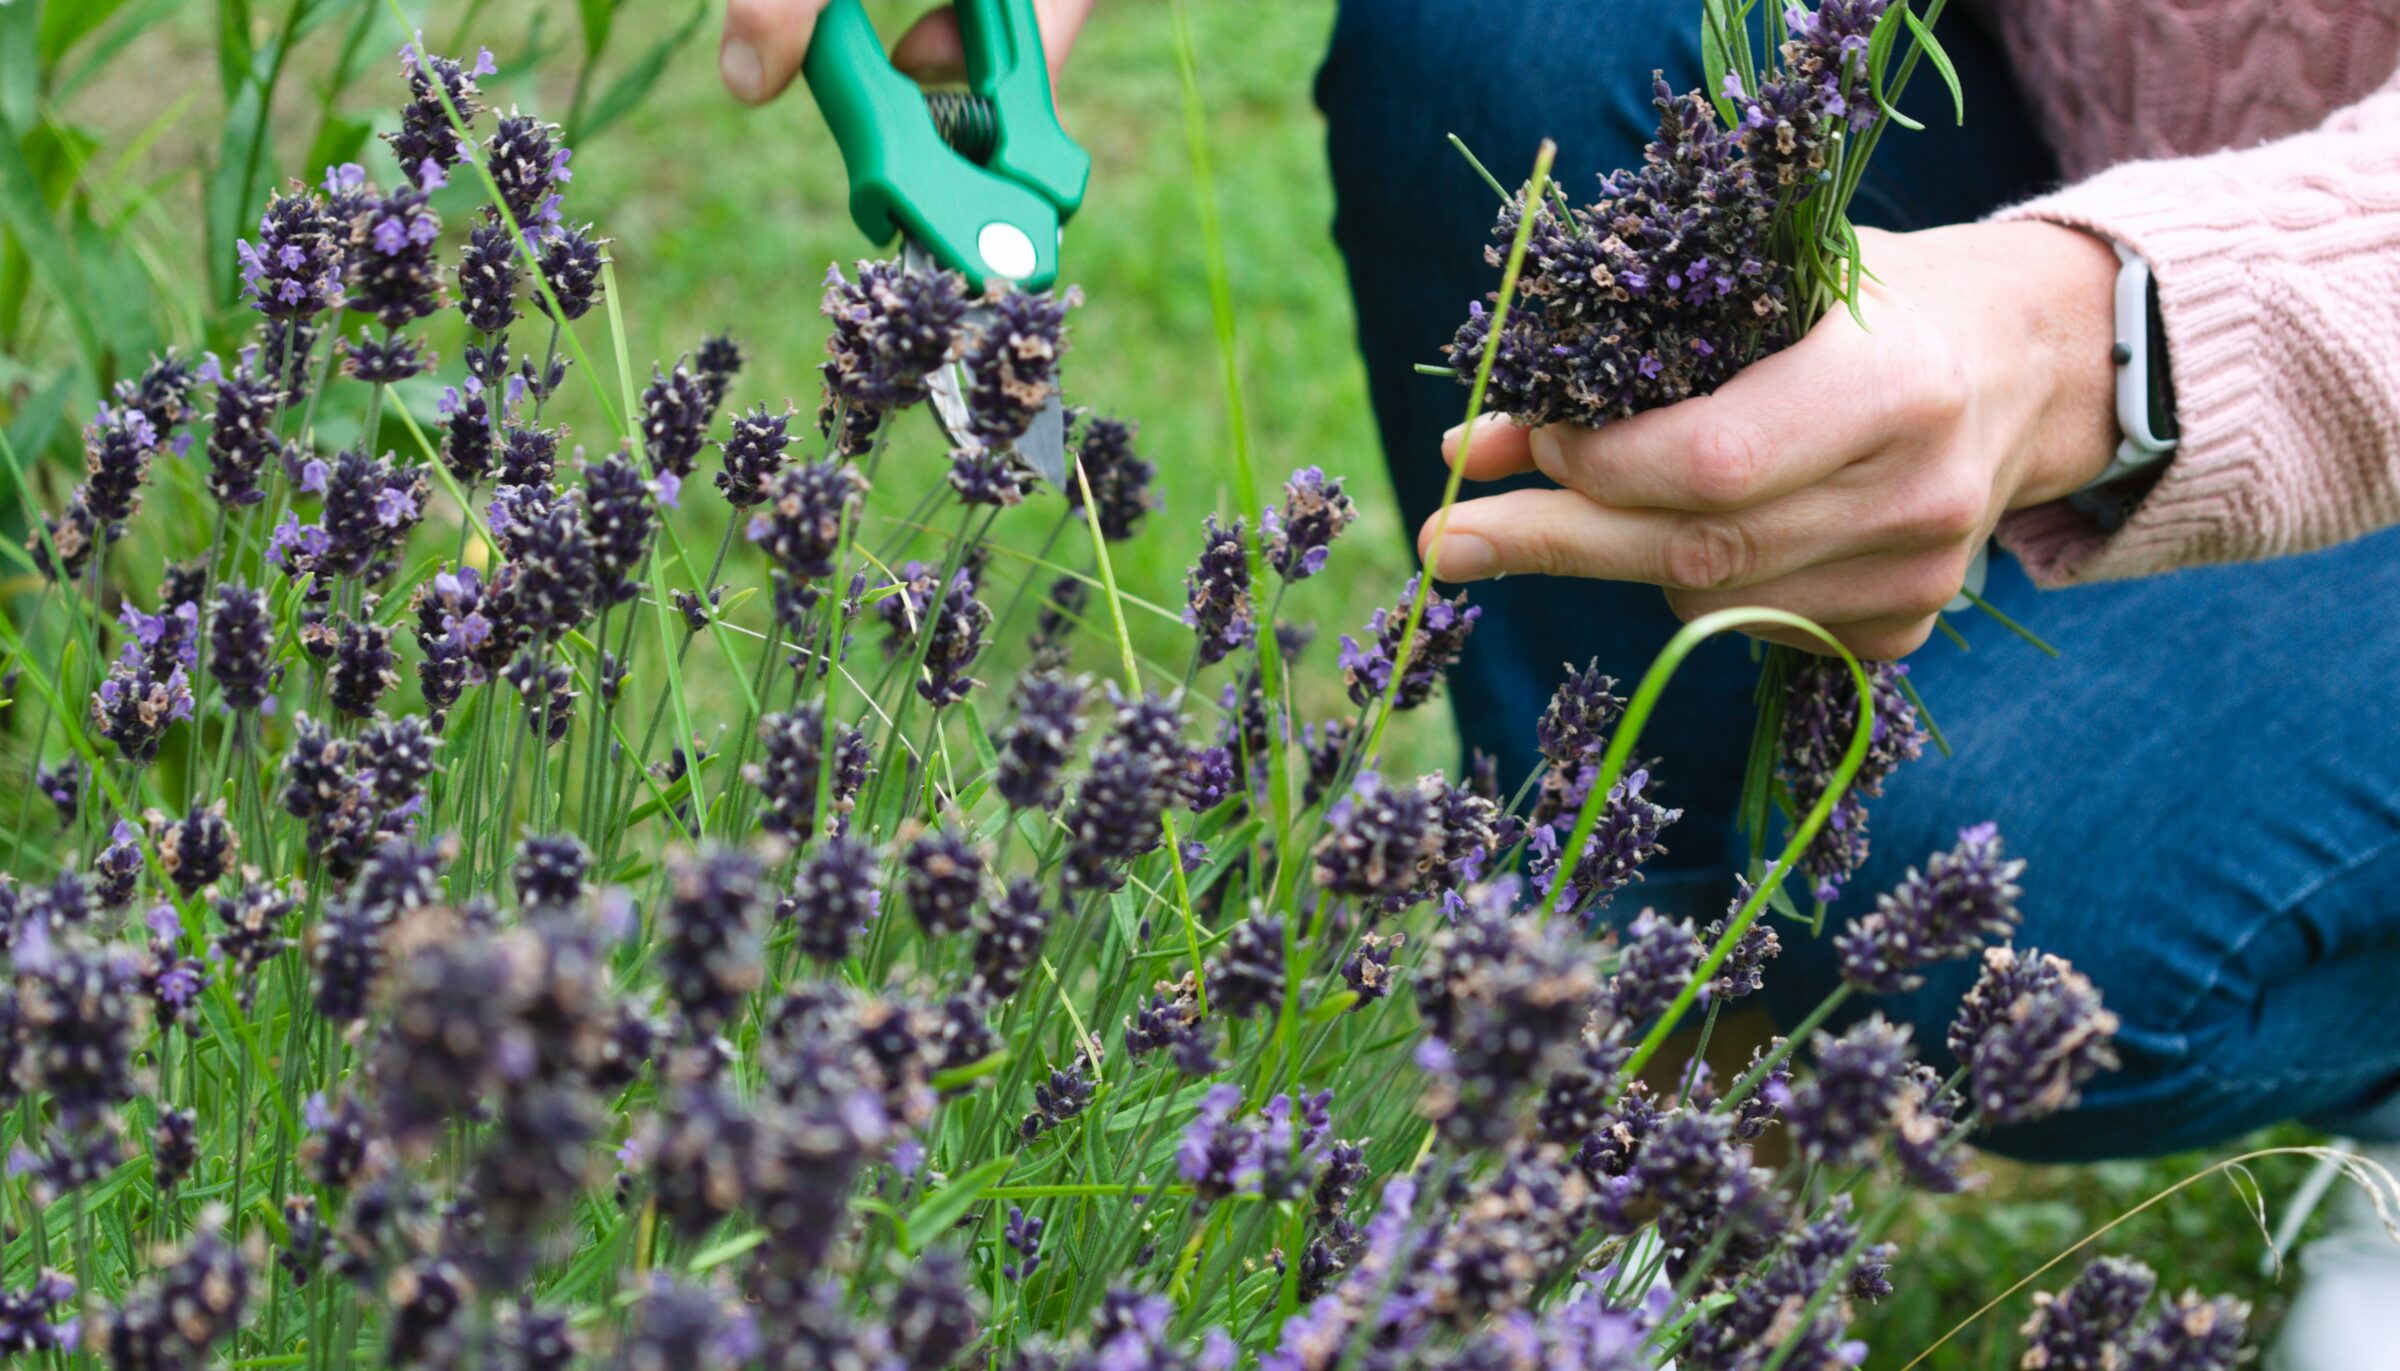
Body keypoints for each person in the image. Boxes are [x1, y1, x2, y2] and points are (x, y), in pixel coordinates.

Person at [717, 1, 2400, 1358]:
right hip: (2090, 134)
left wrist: (2099, 335)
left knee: (2013, 899)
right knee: (1510, 34)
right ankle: (1635, 1122)